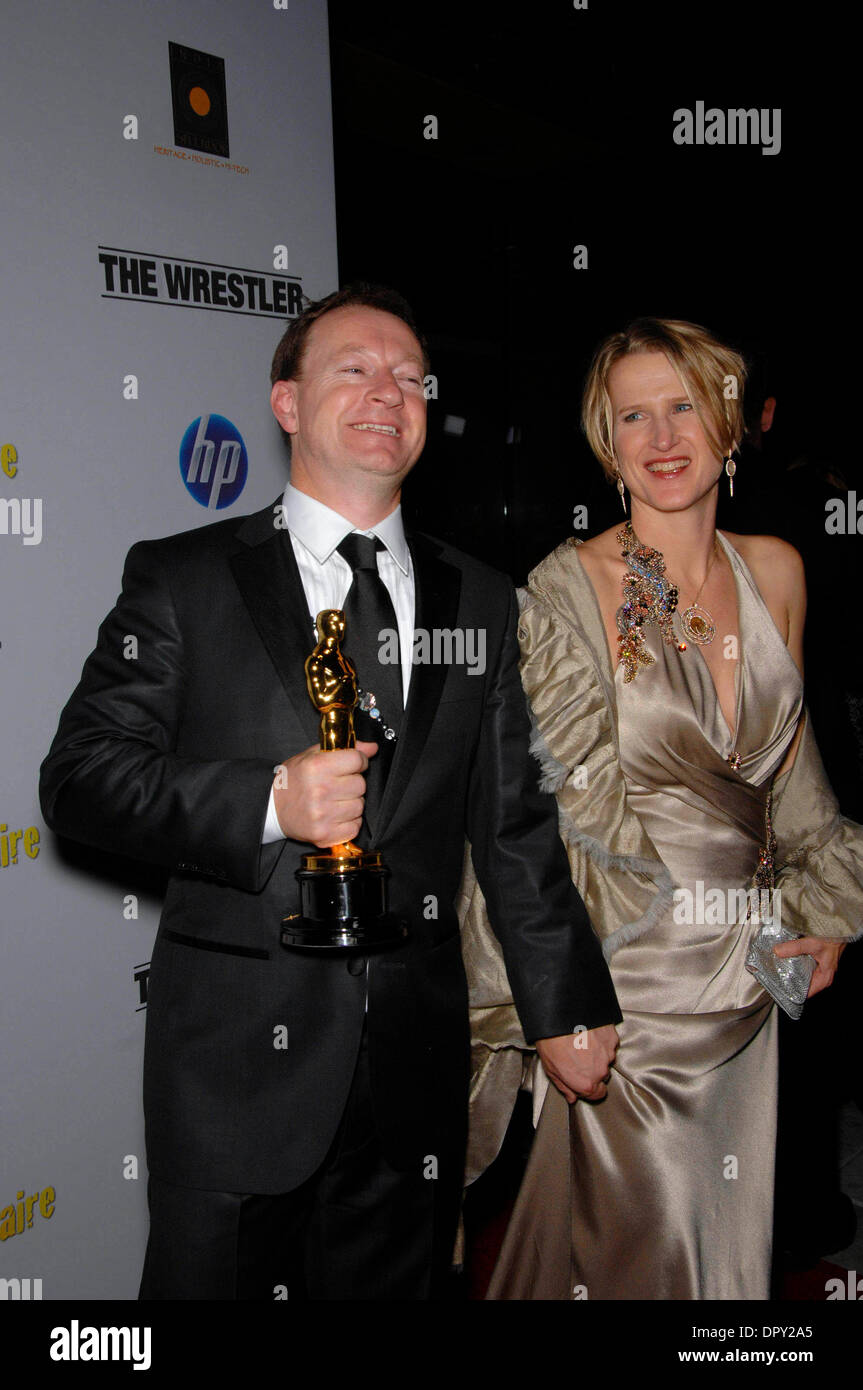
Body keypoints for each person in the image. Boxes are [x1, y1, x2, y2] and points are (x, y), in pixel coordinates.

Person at [38, 283, 621, 1301]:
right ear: (286, 404)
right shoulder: (184, 579)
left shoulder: (479, 596)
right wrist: (268, 801)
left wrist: (563, 1002)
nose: (385, 391)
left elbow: (513, 823)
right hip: (230, 1077)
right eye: (351, 368)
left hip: (409, 1070)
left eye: (407, 375)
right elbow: (81, 779)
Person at [461, 317, 863, 1300]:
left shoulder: (774, 569)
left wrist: (827, 908)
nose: (660, 434)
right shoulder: (570, 584)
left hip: (747, 977)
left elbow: (789, 770)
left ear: (725, 418)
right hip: (625, 989)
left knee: (719, 1251)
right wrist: (555, 1002)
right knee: (658, 1256)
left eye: (681, 404)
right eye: (630, 414)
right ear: (605, 441)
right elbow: (532, 813)